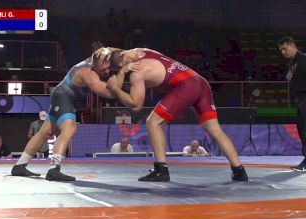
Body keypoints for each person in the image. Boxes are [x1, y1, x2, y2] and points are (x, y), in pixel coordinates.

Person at [106, 48, 248, 181]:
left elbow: (136, 105)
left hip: (186, 86)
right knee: (215, 130)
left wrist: (115, 88)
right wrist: (121, 67)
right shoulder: (142, 50)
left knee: (153, 123)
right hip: (201, 82)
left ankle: (161, 170)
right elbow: (115, 53)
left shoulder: (137, 74)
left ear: (121, 66)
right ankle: (239, 171)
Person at [11, 48, 126, 181]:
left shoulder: (96, 57)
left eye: (108, 67)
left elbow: (107, 49)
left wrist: (126, 53)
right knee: (69, 127)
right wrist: (121, 74)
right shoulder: (88, 74)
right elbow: (111, 94)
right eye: (103, 69)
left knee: (45, 132)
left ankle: (19, 166)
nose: (107, 71)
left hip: (60, 94)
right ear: (94, 66)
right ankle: (54, 169)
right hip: (64, 97)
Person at [278, 37, 306, 171]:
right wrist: (291, 78)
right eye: (281, 50)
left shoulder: (304, 59)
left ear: (292, 45)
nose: (283, 52)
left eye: (285, 48)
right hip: (301, 101)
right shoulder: (293, 63)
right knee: (302, 131)